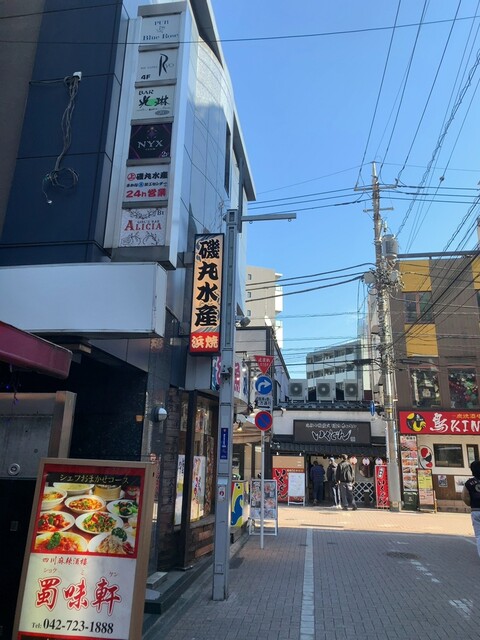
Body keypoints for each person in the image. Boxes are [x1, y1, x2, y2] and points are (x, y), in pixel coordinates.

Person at [462, 460, 480, 558]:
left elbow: (465, 497)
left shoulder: (469, 483)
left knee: (479, 535)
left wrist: (471, 504)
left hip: (476, 510)